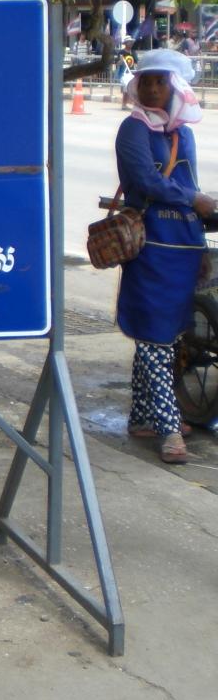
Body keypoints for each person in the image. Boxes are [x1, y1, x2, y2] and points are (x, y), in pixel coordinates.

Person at [115, 49, 217, 464]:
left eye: (161, 82)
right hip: (151, 249)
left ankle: (142, 416)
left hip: (184, 247)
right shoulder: (134, 129)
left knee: (164, 336)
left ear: (176, 88)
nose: (153, 88)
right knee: (155, 337)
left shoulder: (182, 134)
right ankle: (169, 428)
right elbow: (145, 180)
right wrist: (193, 199)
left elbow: (189, 183)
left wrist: (201, 245)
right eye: (147, 81)